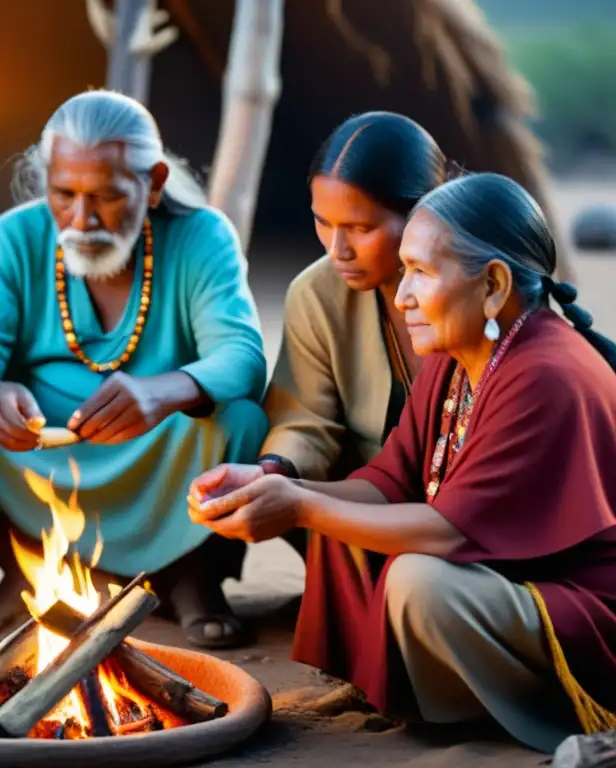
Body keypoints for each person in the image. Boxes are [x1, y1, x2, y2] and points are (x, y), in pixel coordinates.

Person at [188, 173, 616, 752]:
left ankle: (487, 716)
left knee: (417, 577)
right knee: (337, 514)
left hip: (581, 610)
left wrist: (301, 508)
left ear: (493, 284)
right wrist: (269, 484)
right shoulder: (455, 351)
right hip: (504, 579)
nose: (402, 294)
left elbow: (447, 533)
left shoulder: (546, 373)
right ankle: (411, 691)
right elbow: (390, 482)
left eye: (419, 271)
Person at [0, 90, 268, 649]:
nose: (82, 219)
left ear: (151, 184)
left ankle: (192, 581)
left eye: (105, 196)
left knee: (241, 420)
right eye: (64, 194)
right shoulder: (15, 236)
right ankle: (30, 571)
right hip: (44, 448)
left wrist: (162, 393)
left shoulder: (202, 235)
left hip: (160, 445)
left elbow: (241, 357)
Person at [258, 112, 448, 556]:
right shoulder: (315, 293)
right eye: (323, 222)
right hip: (365, 501)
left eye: (362, 228)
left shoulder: (474, 294)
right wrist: (271, 474)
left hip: (465, 503)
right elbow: (303, 419)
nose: (337, 249)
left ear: (426, 211)